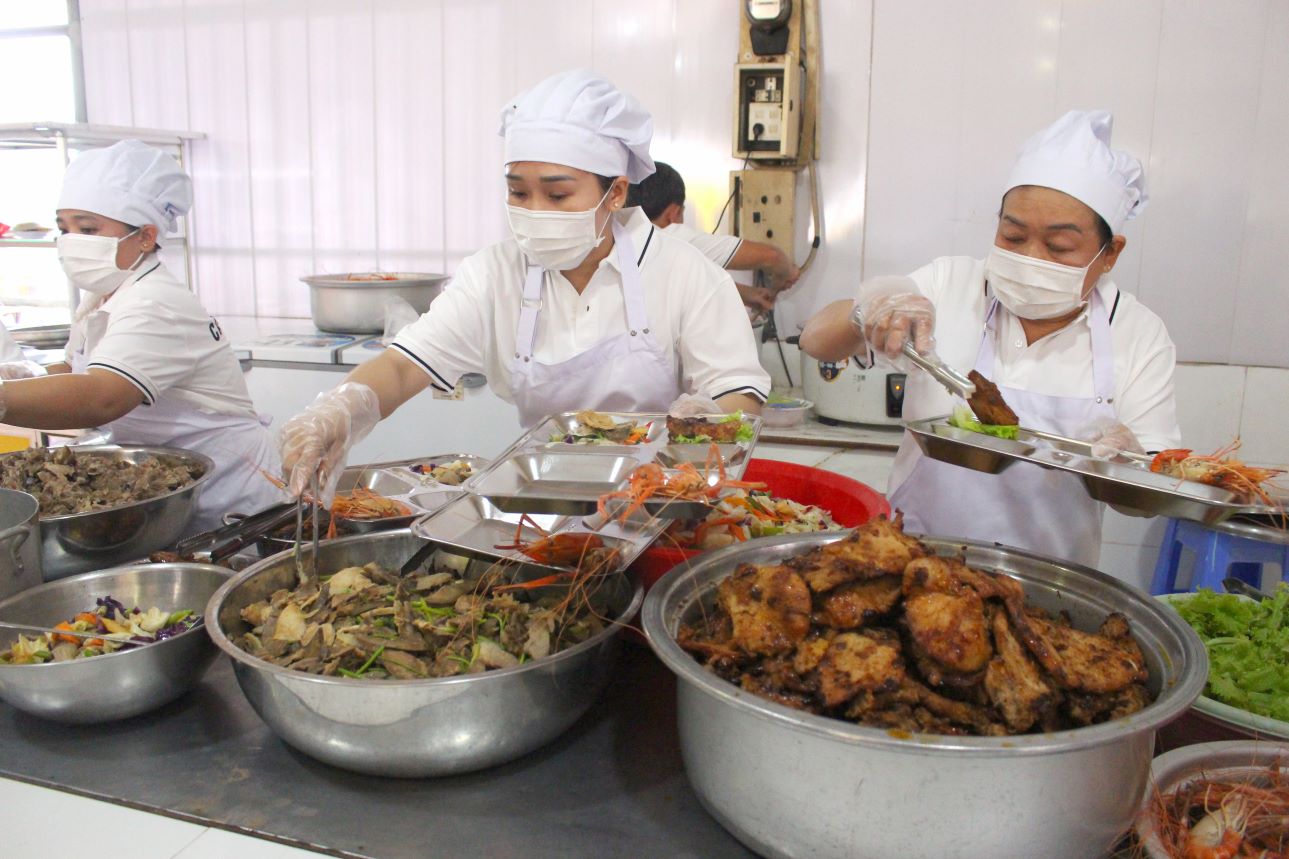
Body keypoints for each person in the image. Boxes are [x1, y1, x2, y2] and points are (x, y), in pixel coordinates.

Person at [279, 69, 770, 500]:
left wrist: (705, 421)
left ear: (615, 192)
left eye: (557, 194)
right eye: (518, 191)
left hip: (666, 507)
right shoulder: (495, 274)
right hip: (540, 508)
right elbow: (405, 367)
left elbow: (738, 395)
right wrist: (339, 411)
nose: (534, 211)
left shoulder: (685, 274)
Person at [800, 110, 1180, 567]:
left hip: (1047, 589)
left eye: (1058, 247)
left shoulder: (1138, 333)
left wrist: (1127, 466)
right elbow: (816, 339)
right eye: (1013, 235)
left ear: (1110, 253)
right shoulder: (951, 283)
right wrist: (868, 312)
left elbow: (1147, 501)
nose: (1030, 257)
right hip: (913, 568)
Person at [0, 140, 284, 532]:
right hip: (171, 487)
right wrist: (30, 375)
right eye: (63, 228)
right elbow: (76, 365)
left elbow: (101, 397)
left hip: (226, 498)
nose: (70, 241)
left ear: (146, 236)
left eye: (88, 228)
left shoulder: (156, 303)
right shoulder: (107, 291)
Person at [628, 162, 800, 313]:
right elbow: (772, 257)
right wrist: (786, 274)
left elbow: (687, 284)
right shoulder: (672, 238)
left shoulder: (624, 236)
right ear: (673, 213)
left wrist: (747, 294)